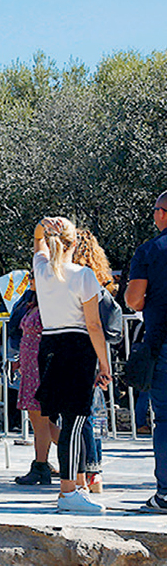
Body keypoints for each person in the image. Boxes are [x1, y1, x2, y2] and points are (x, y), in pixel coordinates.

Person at [31, 217, 111, 513]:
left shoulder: (42, 271)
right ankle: (67, 492)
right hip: (76, 348)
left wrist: (42, 225)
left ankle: (77, 484)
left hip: (49, 345)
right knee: (75, 424)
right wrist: (105, 364)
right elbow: (93, 324)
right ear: (74, 242)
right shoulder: (83, 275)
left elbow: (38, 241)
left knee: (66, 422)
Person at [125, 190, 167, 511]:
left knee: (165, 420)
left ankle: (165, 493)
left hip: (162, 343)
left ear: (163, 214)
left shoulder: (149, 251)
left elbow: (134, 300)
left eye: (154, 209)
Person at [72, 228, 116, 493]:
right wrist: (105, 363)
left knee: (80, 416)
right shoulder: (100, 281)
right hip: (98, 351)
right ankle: (96, 472)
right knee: (95, 413)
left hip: (78, 348)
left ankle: (85, 471)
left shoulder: (73, 279)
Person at [13, 278, 60, 485]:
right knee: (39, 420)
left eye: (33, 276)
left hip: (40, 366)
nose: (30, 279)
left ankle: (44, 464)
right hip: (30, 366)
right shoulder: (34, 302)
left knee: (42, 419)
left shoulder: (51, 303)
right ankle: (48, 461)